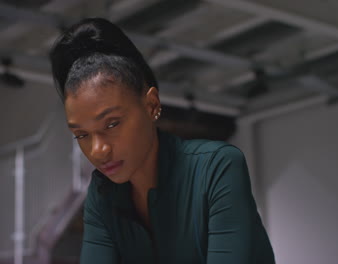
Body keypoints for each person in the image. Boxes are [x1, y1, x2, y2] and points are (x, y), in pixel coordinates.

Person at [49, 17, 275, 264]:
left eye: (112, 124)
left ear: (151, 105)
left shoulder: (216, 167)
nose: (98, 150)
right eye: (81, 135)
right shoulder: (103, 193)